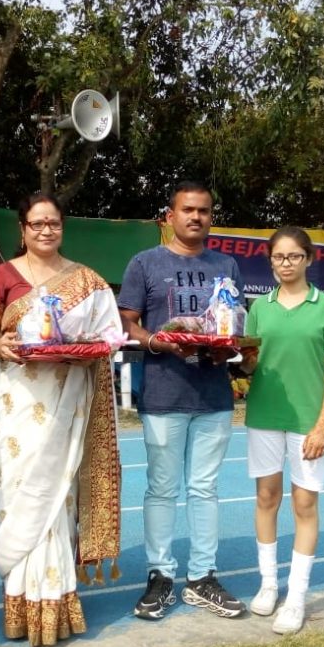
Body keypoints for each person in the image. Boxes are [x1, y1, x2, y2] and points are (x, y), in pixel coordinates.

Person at [0, 192, 122, 647]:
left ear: (62, 227)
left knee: (60, 495)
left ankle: (57, 599)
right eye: (37, 223)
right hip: (18, 400)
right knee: (19, 490)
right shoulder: (3, 277)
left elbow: (109, 335)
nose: (45, 230)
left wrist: (89, 351)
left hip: (68, 396)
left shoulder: (87, 280)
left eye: (53, 223)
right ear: (22, 229)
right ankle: (21, 600)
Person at [117, 180, 247, 622]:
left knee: (205, 487)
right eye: (188, 210)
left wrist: (227, 349)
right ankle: (160, 575)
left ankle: (202, 576)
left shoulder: (227, 265)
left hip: (213, 395)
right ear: (169, 216)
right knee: (161, 488)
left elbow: (233, 324)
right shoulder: (145, 263)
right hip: (163, 392)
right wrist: (157, 341)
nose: (196, 217)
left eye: (204, 211)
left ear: (211, 217)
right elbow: (126, 322)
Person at [238, 226, 324, 635]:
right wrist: (243, 360)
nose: (285, 263)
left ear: (308, 258)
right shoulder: (259, 308)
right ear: (270, 261)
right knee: (266, 498)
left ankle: (296, 596)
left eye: (293, 256)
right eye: (278, 257)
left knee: (304, 504)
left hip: (308, 420)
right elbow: (250, 365)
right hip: (264, 415)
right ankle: (269, 584)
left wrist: (323, 424)